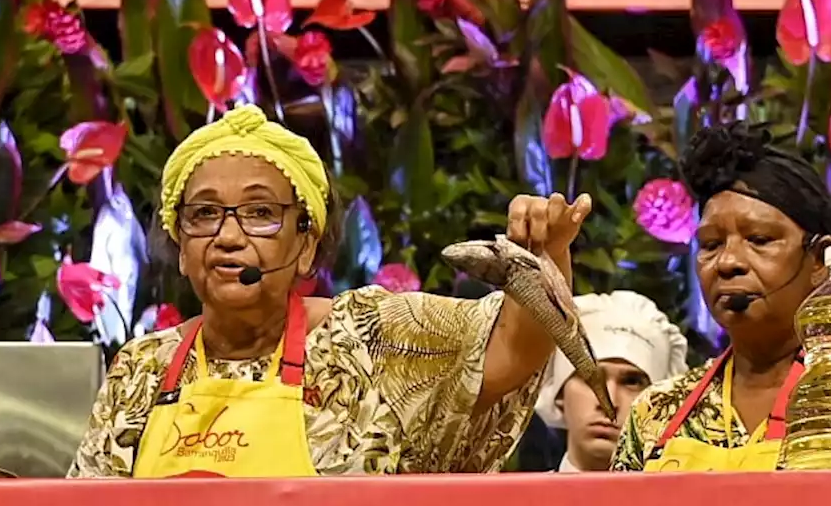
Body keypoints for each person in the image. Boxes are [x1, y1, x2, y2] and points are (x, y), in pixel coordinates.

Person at [68, 105, 592, 478]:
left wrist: (543, 254)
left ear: (306, 247)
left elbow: (510, 352)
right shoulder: (144, 369)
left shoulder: (371, 336)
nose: (228, 236)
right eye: (204, 214)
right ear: (181, 247)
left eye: (260, 214)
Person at [612, 123, 831, 472]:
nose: (728, 262)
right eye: (710, 245)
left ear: (819, 260)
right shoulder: (658, 412)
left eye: (760, 239)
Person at [534, 292, 688, 471]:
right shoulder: (514, 499)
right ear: (559, 392)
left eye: (631, 382)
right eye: (591, 378)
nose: (609, 402)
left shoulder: (683, 500)